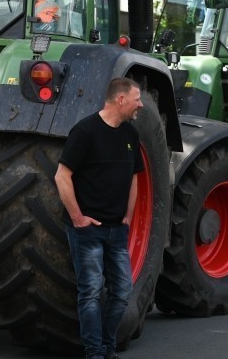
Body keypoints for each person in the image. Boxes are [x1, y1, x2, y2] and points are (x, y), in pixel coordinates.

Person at [55, 77, 144, 359]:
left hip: (117, 230)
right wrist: (78, 218)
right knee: (91, 292)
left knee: (122, 291)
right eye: (137, 98)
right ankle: (94, 352)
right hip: (88, 231)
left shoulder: (130, 135)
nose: (140, 104)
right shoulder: (85, 131)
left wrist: (128, 215)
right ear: (120, 100)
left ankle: (107, 346)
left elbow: (134, 178)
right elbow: (62, 175)